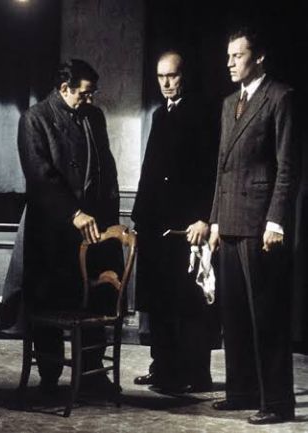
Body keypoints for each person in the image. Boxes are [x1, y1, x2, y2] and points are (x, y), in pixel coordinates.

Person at [208, 27, 299, 424]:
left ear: (258, 57)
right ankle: (241, 392)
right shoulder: (229, 103)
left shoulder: (280, 97)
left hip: (260, 222)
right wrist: (214, 221)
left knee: (266, 316)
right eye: (228, 56)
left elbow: (288, 165)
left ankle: (276, 402)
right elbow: (221, 169)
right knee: (234, 316)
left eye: (237, 56)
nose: (229, 63)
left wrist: (276, 220)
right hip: (229, 220)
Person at [17, 59, 123, 394]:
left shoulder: (94, 116)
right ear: (65, 88)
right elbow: (40, 176)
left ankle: (93, 374)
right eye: (84, 93)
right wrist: (73, 212)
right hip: (52, 233)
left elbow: (107, 168)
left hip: (94, 233)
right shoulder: (34, 119)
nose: (89, 100)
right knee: (49, 302)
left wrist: (109, 222)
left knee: (95, 301)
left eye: (92, 94)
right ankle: (49, 378)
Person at [131, 51, 218, 392]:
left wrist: (205, 218)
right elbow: (150, 170)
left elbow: (213, 171)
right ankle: (163, 368)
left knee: (189, 303)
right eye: (160, 76)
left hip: (188, 226)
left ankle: (195, 375)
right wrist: (140, 219)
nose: (166, 83)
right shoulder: (159, 114)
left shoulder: (204, 112)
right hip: (156, 224)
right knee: (160, 301)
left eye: (172, 75)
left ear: (185, 75)